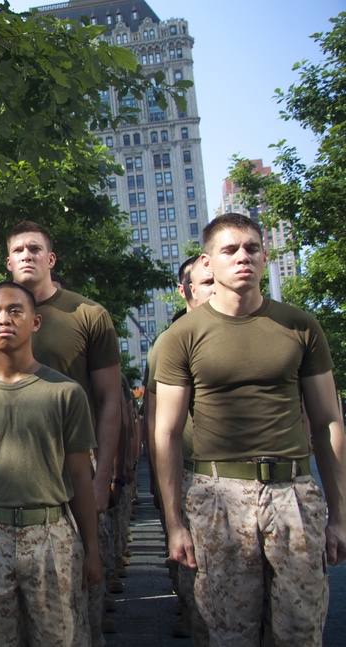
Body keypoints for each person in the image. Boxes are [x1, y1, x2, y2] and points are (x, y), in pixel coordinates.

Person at [154, 213, 346, 645]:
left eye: (253, 248)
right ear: (208, 264)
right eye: (230, 250)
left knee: (300, 632)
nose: (244, 257)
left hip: (293, 494)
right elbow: (165, 433)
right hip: (218, 497)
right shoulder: (181, 337)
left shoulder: (301, 326)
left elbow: (328, 420)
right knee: (229, 634)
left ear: (264, 256)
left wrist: (340, 516)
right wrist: (174, 523)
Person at [0, 220, 122, 643]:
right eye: (18, 250)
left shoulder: (89, 315)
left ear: (51, 259)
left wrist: (103, 473)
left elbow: (110, 401)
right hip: (0, 480)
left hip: (74, 468)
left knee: (75, 609)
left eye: (35, 249)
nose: (27, 256)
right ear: (8, 261)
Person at [0, 281, 100, 646]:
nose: (5, 320)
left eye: (16, 311)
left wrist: (92, 548)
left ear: (36, 322)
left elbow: (80, 474)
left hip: (52, 536)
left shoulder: (65, 393)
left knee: (61, 638)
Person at [144, 255, 214, 642]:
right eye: (204, 283)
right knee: (201, 588)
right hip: (192, 476)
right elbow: (155, 424)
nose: (213, 289)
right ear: (183, 289)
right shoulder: (169, 343)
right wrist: (159, 486)